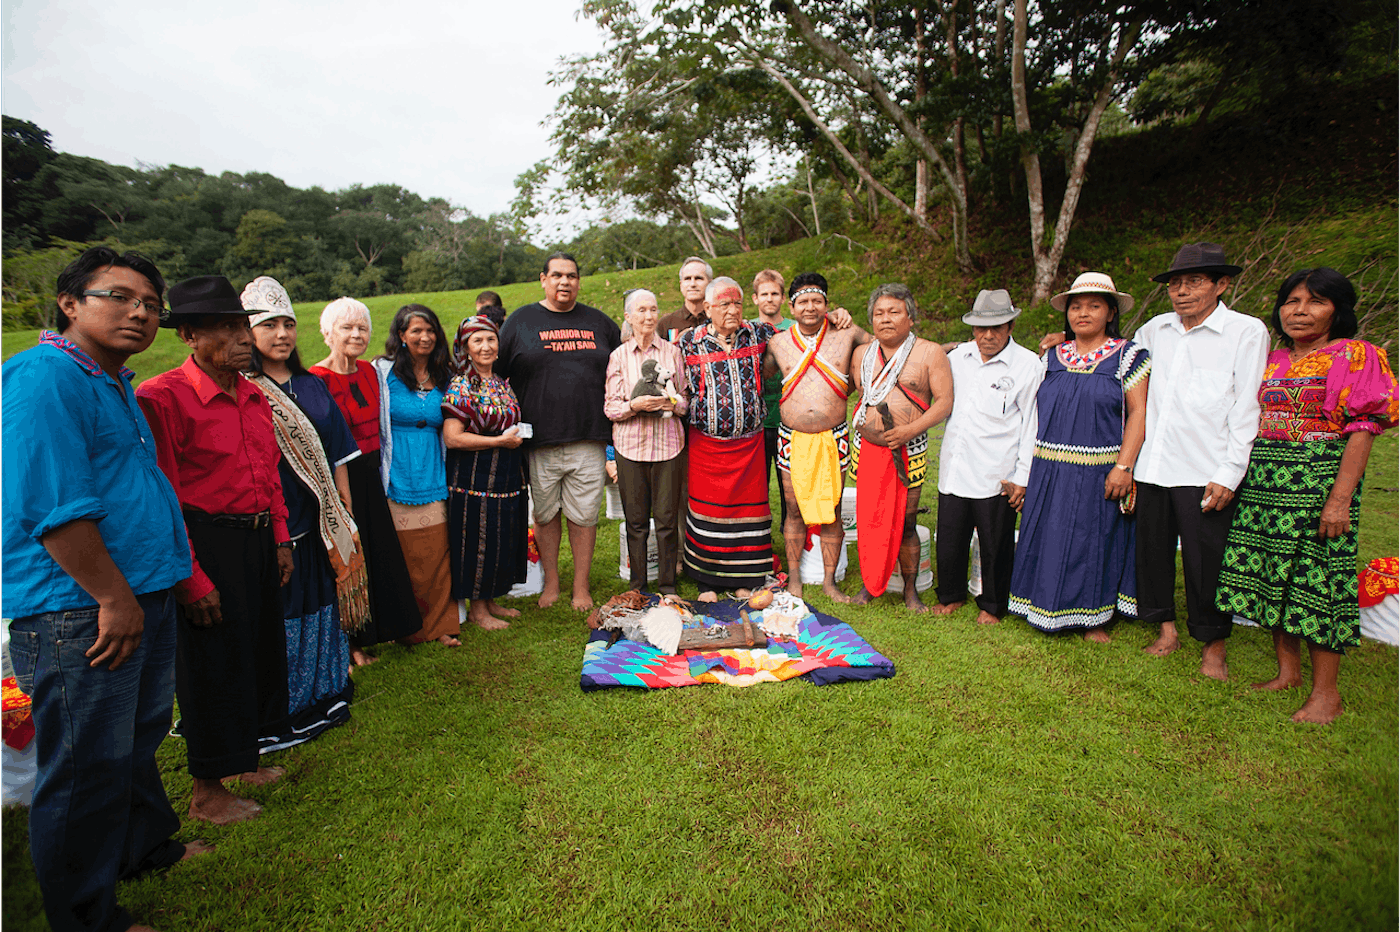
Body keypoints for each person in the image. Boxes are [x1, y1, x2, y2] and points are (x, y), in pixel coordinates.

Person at [3, 247, 211, 932]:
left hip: (135, 593)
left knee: (134, 739)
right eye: (119, 297)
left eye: (150, 304)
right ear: (70, 303)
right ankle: (84, 917)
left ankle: (140, 848)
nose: (141, 313)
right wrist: (113, 598)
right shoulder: (43, 377)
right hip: (81, 607)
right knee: (86, 765)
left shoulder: (111, 381)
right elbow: (53, 506)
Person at [136, 275, 295, 825]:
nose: (241, 338)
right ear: (189, 337)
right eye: (224, 329)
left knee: (254, 650)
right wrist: (190, 576)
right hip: (205, 541)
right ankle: (207, 788)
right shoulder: (162, 399)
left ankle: (243, 758)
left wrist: (278, 538)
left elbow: (270, 476)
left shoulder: (254, 395)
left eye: (241, 327)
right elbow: (163, 497)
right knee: (211, 662)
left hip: (254, 538)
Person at [1216, 268, 1398, 724]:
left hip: (1318, 481)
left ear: (1338, 309)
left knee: (1317, 583)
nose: (1300, 310)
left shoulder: (1357, 355)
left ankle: (1326, 694)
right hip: (1265, 481)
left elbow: (1363, 431)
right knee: (1275, 576)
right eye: (1291, 301)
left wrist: (1339, 500)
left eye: (1315, 301)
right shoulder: (1273, 358)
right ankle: (1287, 673)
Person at [1133, 243, 1269, 681]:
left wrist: (1230, 473)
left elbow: (1247, 408)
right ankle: (1166, 630)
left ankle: (1214, 646)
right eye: (1175, 284)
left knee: (1205, 559)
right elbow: (1123, 372)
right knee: (1152, 552)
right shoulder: (1155, 330)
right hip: (1153, 465)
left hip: (1206, 469)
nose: (1182, 292)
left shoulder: (1246, 332)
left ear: (1221, 284)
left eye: (1194, 282)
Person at [242, 276, 360, 749]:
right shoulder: (245, 389)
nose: (281, 334)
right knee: (283, 609)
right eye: (268, 324)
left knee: (319, 600)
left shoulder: (312, 385)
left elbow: (338, 454)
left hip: (320, 519)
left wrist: (345, 511)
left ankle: (325, 691)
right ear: (248, 333)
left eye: (288, 323)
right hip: (273, 522)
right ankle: (282, 704)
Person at [1008, 272, 1150, 642]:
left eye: (1094, 305)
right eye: (1076, 306)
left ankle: (1094, 617)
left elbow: (1138, 413)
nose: (1083, 313)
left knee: (1094, 541)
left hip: (1098, 468)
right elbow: (1034, 414)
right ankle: (1044, 603)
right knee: (1050, 535)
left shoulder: (1129, 355)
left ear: (1110, 312)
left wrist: (1124, 466)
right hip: (1050, 466)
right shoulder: (1052, 355)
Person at [497, 252, 622, 610]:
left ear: (578, 281)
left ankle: (580, 587)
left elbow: (621, 367)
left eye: (571, 276)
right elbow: (498, 372)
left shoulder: (599, 323)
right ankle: (552, 583)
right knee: (546, 514)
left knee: (584, 515)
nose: (564, 282)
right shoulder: (521, 322)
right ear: (543, 279)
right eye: (557, 276)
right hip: (538, 440)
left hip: (588, 436)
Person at [310, 298, 424, 664]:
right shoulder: (315, 380)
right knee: (347, 556)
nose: (356, 334)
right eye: (347, 327)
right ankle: (351, 644)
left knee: (378, 553)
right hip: (338, 475)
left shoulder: (372, 372)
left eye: (362, 328)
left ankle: (384, 629)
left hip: (372, 470)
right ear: (328, 334)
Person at [931, 289, 1042, 624]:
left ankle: (992, 604)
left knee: (996, 542)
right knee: (950, 536)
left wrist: (1022, 476)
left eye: (997, 327)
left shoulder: (1028, 365)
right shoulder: (956, 358)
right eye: (981, 328)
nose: (988, 335)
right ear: (972, 328)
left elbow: (1031, 426)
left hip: (997, 471)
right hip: (955, 465)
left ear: (1010, 326)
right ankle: (950, 595)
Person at [766, 272, 876, 603]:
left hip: (834, 437)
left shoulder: (849, 333)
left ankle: (829, 582)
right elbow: (757, 373)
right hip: (791, 438)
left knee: (832, 509)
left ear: (828, 304)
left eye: (817, 301)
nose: (810, 307)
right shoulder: (778, 342)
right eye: (803, 301)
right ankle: (795, 578)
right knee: (794, 509)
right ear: (792, 306)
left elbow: (886, 350)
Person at [678, 277, 778, 600]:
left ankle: (744, 578)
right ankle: (707, 581)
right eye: (724, 304)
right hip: (707, 447)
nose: (733, 310)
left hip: (749, 446)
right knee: (710, 514)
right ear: (707, 308)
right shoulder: (687, 342)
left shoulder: (759, 333)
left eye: (737, 303)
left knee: (748, 516)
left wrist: (835, 316)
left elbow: (801, 335)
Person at [371, 304, 461, 648]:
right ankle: (405, 629)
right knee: (404, 557)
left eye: (430, 330)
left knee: (438, 554)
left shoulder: (445, 373)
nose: (424, 337)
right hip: (397, 472)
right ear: (402, 336)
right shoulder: (383, 373)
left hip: (433, 470)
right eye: (416, 331)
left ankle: (439, 627)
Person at [442, 316, 528, 629]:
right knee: (479, 541)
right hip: (473, 478)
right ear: (465, 347)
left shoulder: (500, 382)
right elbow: (452, 437)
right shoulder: (462, 384)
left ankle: (491, 599)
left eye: (490, 339)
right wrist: (499, 440)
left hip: (505, 476)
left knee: (501, 538)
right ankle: (478, 610)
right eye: (477, 341)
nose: (486, 346)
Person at [604, 289, 688, 593]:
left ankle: (668, 585)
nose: (649, 316)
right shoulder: (618, 356)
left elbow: (685, 400)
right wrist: (634, 407)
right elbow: (611, 407)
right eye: (641, 311)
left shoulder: (672, 353)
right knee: (636, 521)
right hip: (630, 447)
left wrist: (672, 404)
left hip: (668, 446)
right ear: (628, 317)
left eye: (653, 310)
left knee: (666, 519)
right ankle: (637, 584)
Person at [753, 269, 795, 540]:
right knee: (758, 486)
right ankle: (760, 539)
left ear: (782, 298)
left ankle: (791, 535)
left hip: (789, 418)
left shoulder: (795, 327)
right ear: (755, 298)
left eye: (775, 294)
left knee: (789, 486)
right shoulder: (747, 329)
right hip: (757, 420)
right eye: (764, 294)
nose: (769, 299)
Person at [657, 256, 712, 342]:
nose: (692, 284)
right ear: (681, 284)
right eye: (687, 279)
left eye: (698, 278)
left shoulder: (719, 321)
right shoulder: (665, 324)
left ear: (710, 283)